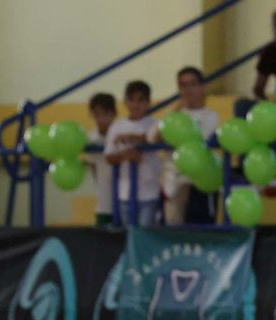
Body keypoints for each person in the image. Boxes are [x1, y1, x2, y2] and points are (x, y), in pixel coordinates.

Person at [164, 67, 220, 226]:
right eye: (183, 85)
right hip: (175, 182)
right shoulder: (173, 116)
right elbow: (153, 137)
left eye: (192, 84)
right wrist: (176, 109)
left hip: (200, 183)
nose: (188, 89)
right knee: (173, 230)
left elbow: (201, 143)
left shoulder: (211, 116)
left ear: (202, 87)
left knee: (200, 230)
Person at [104, 80, 163, 225]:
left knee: (144, 233)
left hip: (149, 191)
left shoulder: (154, 124)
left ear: (148, 102)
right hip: (124, 192)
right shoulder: (117, 126)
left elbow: (155, 138)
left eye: (140, 100)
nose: (135, 105)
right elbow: (109, 156)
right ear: (125, 101)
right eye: (131, 100)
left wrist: (133, 138)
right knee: (129, 232)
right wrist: (126, 156)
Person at [84, 92, 117, 226]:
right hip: (103, 203)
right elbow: (92, 166)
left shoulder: (121, 134)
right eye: (97, 115)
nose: (101, 119)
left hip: (123, 201)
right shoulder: (91, 138)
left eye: (105, 114)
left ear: (113, 114)